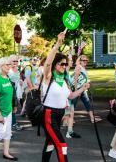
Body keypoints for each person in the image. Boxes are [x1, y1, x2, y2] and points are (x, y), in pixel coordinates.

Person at [42, 32, 90, 162]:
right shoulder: (48, 77)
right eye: (61, 64)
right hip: (49, 114)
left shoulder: (64, 79)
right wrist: (58, 43)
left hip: (59, 115)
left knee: (51, 143)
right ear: (55, 65)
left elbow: (71, 95)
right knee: (61, 145)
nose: (64, 66)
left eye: (65, 64)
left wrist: (82, 88)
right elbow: (47, 63)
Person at [72, 55, 102, 123]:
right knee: (73, 104)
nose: (86, 62)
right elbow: (75, 79)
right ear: (80, 61)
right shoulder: (78, 67)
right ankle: (70, 119)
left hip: (83, 89)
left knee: (87, 103)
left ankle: (92, 118)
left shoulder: (82, 68)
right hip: (78, 89)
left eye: (86, 60)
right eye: (84, 60)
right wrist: (76, 91)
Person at [8, 55, 23, 131]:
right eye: (13, 61)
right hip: (9, 91)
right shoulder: (8, 70)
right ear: (10, 61)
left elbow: (17, 80)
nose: (15, 62)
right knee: (11, 108)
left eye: (16, 61)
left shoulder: (17, 70)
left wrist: (20, 82)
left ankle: (13, 124)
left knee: (14, 108)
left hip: (16, 90)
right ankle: (12, 124)